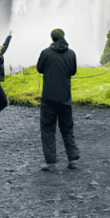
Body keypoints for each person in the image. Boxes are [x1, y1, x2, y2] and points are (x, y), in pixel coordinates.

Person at [36, 28, 79, 171]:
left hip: (48, 98)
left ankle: (51, 163)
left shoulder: (46, 53)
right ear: (63, 37)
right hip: (65, 98)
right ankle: (72, 160)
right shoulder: (71, 53)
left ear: (52, 38)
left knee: (48, 130)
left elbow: (39, 69)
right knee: (67, 129)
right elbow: (73, 71)